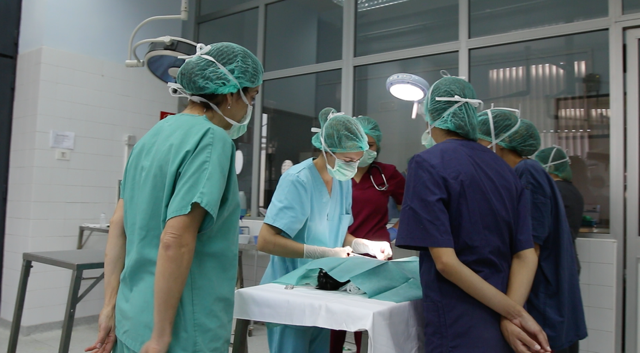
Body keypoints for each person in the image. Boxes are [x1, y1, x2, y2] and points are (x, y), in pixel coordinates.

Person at [85, 42, 264, 353]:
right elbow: (175, 239)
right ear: (232, 94)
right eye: (250, 98)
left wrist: (109, 307)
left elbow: (119, 225)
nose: (249, 107)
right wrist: (161, 336)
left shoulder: (153, 136)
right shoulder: (212, 140)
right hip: (180, 329)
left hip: (131, 318)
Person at [395, 75, 550, 353]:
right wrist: (511, 313)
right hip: (504, 322)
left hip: (460, 321)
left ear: (432, 117)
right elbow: (526, 254)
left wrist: (514, 314)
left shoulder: (427, 163)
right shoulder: (505, 169)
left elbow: (445, 263)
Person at [256, 108, 393, 353]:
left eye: (356, 161)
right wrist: (323, 253)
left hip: (322, 291)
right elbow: (266, 241)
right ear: (327, 150)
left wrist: (364, 244)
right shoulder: (298, 180)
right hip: (289, 291)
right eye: (347, 161)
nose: (352, 167)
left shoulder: (341, 181)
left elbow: (338, 232)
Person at [477, 109, 588, 353]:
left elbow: (530, 249)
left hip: (543, 298)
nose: (477, 147)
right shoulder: (521, 173)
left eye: (480, 141)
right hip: (541, 296)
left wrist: (511, 314)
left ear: (500, 143)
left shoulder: (528, 173)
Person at [329, 116, 405, 353]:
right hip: (338, 255)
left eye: (371, 145)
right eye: (360, 143)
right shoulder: (335, 173)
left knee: (371, 325)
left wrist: (392, 232)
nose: (365, 149)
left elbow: (414, 210)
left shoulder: (387, 174)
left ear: (378, 147)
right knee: (333, 322)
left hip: (376, 259)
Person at [534, 147, 585, 243]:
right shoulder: (571, 189)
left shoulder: (553, 191)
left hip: (554, 251)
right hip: (566, 250)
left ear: (551, 167)